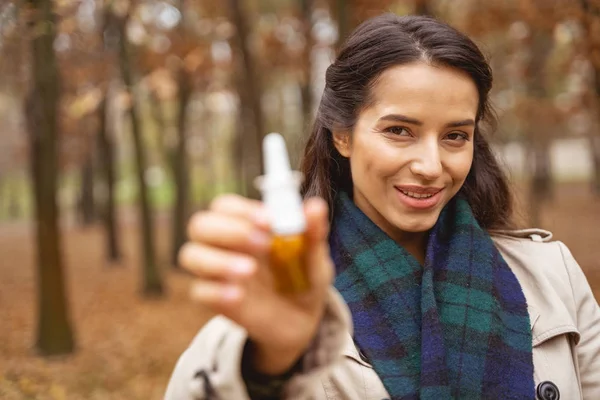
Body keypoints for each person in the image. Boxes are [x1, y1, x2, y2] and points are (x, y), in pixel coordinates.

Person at [165, 14, 600, 400]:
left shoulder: (550, 274)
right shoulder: (286, 288)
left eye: (455, 136)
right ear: (343, 135)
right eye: (399, 130)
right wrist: (270, 361)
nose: (431, 166)